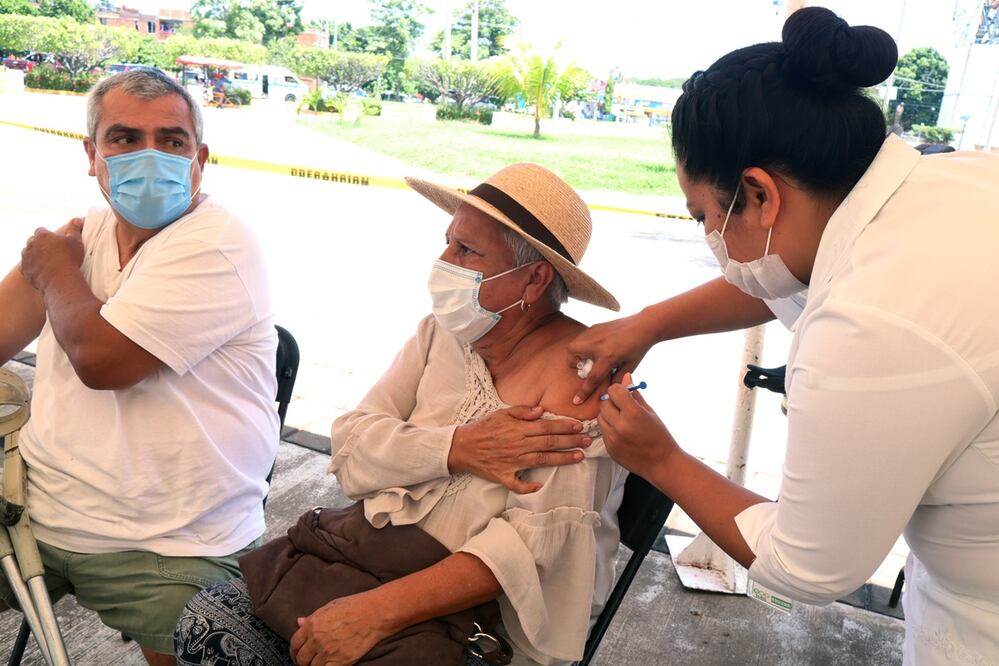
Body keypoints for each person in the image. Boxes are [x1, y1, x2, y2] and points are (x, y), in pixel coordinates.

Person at [567, 7, 999, 665]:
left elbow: (806, 566)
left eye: (704, 216)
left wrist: (659, 460)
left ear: (758, 194)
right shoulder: (942, 185)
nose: (710, 239)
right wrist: (646, 324)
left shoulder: (870, 325)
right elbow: (780, 275)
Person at [174, 163, 627, 666]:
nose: (444, 261)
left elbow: (525, 555)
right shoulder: (441, 335)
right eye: (448, 242)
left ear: (535, 277)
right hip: (373, 562)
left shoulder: (581, 383)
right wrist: (455, 449)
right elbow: (351, 449)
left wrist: (373, 613)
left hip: (475, 621)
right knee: (207, 621)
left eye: (467, 251)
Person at [0, 68, 279, 665]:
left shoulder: (219, 243)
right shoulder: (86, 235)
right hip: (39, 506)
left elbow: (103, 361)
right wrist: (58, 268)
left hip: (172, 542)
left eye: (171, 141)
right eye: (124, 139)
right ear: (92, 155)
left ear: (199, 158)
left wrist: (55, 272)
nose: (149, 156)